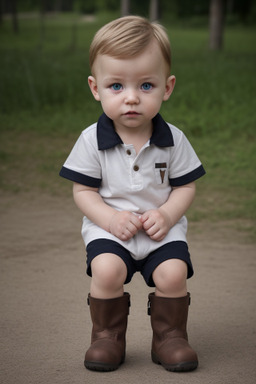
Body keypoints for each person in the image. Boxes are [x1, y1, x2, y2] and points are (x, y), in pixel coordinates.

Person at [59, 15, 205, 373]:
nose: (131, 99)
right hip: (110, 228)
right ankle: (107, 337)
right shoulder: (91, 140)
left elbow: (185, 186)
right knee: (106, 269)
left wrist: (169, 215)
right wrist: (109, 218)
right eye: (116, 87)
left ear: (167, 87)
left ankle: (170, 337)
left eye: (145, 86)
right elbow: (84, 191)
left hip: (161, 229)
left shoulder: (174, 140)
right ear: (95, 88)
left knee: (173, 273)